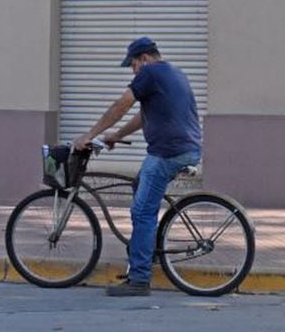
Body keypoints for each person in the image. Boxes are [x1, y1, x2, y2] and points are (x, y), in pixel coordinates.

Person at [74, 36, 202, 296]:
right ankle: (148, 250)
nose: (132, 71)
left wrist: (90, 134)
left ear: (143, 59)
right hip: (185, 149)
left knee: (143, 212)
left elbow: (121, 105)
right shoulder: (173, 72)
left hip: (167, 153)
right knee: (139, 186)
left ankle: (140, 278)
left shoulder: (150, 73)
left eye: (132, 65)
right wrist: (117, 135)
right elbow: (144, 115)